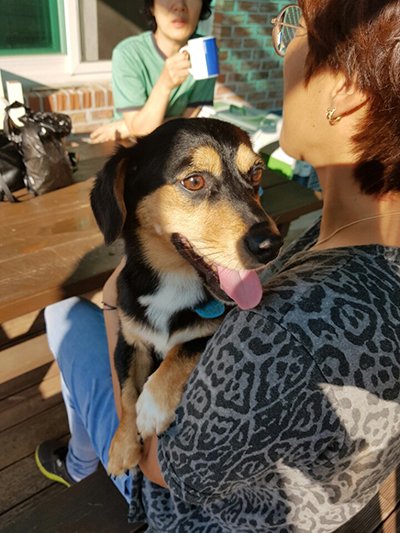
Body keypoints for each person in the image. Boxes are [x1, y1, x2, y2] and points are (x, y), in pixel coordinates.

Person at [36, 1, 400, 531]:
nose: (282, 49)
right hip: (313, 505)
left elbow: (158, 466)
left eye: (292, 29)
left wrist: (114, 303)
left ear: (342, 88)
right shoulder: (346, 244)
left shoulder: (277, 339)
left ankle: (78, 463)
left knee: (65, 318)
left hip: (189, 514)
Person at [90, 0, 215, 144]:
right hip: (131, 146)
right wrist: (164, 85)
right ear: (152, 7)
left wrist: (127, 127)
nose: (180, 6)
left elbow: (191, 122)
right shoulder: (128, 53)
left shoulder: (206, 51)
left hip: (176, 145)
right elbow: (142, 132)